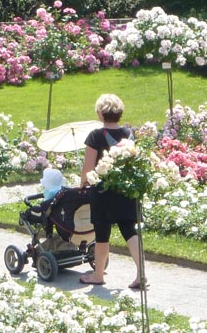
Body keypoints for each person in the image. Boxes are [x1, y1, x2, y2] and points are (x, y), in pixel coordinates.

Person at [78, 93, 144, 289]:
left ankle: (98, 274)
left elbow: (88, 167)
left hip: (103, 192)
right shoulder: (130, 134)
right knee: (129, 230)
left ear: (100, 113)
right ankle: (141, 272)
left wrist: (82, 183)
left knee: (102, 233)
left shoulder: (96, 136)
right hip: (125, 190)